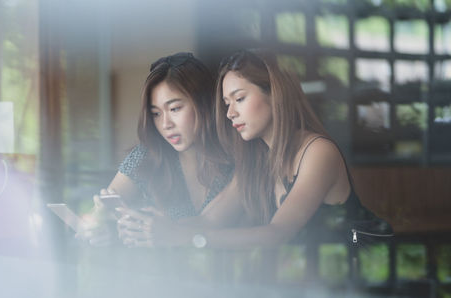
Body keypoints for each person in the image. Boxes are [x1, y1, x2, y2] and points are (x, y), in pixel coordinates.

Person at [118, 49, 391, 248]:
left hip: (370, 271)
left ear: (275, 94)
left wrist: (185, 237)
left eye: (240, 98)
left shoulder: (318, 152)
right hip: (313, 278)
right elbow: (211, 220)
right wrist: (155, 230)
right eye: (226, 103)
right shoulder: (257, 157)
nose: (230, 113)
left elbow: (278, 233)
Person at [77, 52, 234, 246]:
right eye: (156, 114)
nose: (166, 124)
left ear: (204, 104)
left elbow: (214, 222)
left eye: (175, 109)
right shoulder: (146, 156)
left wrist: (164, 229)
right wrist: (101, 227)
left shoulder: (236, 157)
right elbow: (99, 214)